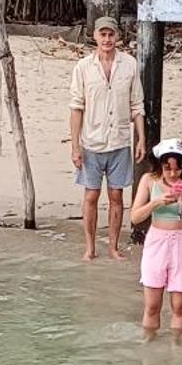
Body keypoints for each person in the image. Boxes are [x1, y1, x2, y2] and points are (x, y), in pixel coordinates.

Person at [69, 17, 146, 260]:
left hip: (120, 141)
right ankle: (90, 247)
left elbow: (137, 105)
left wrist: (141, 139)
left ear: (118, 37)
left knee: (116, 196)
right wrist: (75, 146)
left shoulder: (130, 65)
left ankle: (113, 247)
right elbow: (76, 108)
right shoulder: (83, 67)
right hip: (91, 142)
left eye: (111, 35)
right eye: (102, 35)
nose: (107, 39)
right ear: (95, 36)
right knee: (91, 195)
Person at [130, 138, 182, 335]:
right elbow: (135, 217)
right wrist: (157, 203)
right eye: (167, 168)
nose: (172, 174)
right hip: (156, 241)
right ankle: (149, 348)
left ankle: (177, 349)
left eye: (177, 169)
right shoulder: (148, 180)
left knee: (179, 306)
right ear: (159, 165)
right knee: (152, 305)